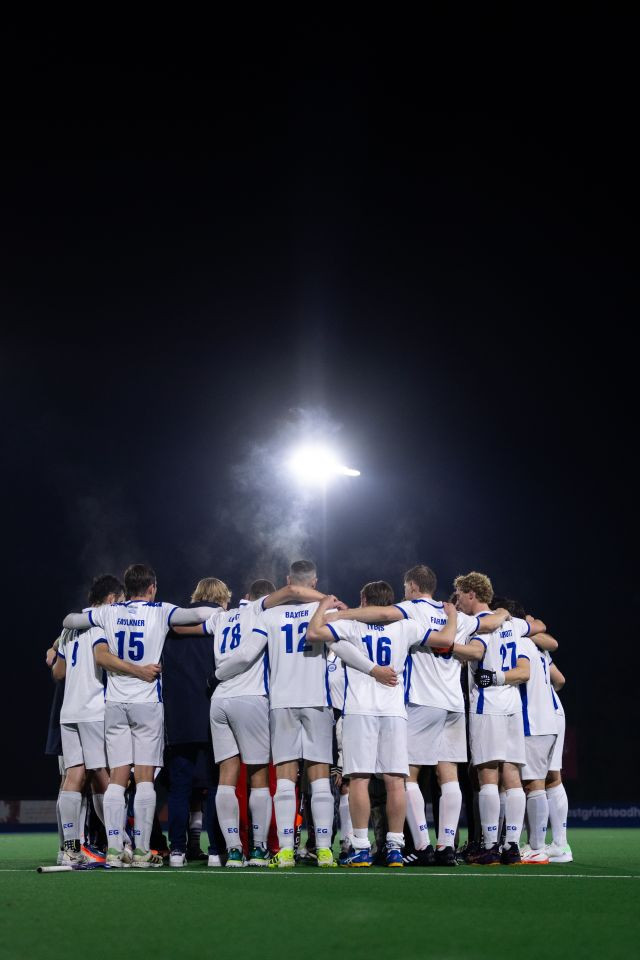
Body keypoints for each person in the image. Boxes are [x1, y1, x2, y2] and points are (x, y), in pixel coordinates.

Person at [214, 560, 397, 869]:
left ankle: (286, 851)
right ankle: (324, 850)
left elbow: (247, 654)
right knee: (319, 777)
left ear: (289, 580)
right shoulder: (324, 611)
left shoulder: (269, 615)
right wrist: (373, 669)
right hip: (317, 700)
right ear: (314, 583)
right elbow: (342, 648)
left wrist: (219, 674)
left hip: (282, 702)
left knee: (285, 778)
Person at [324, 564, 508, 866]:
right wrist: (505, 614)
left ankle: (421, 845)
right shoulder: (456, 614)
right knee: (448, 774)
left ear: (411, 586)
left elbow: (380, 614)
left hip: (422, 700)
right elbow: (490, 621)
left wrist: (343, 614)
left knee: (404, 775)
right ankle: (446, 846)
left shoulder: (409, 610)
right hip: (453, 703)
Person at [62, 563, 213, 868]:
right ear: (152, 587)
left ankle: (114, 850)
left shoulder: (109, 612)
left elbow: (70, 619)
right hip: (146, 702)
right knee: (144, 778)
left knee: (117, 777)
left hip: (115, 703)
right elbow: (198, 614)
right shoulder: (160, 611)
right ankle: (142, 851)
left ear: (127, 588)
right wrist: (225, 613)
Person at [307, 581, 457, 867]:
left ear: (364, 601)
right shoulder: (406, 627)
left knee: (359, 779)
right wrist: (451, 616)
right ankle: (395, 848)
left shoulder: (351, 626)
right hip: (394, 711)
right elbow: (447, 640)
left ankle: (361, 847)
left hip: (359, 709)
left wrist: (326, 606)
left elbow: (313, 632)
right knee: (395, 781)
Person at [204, 576, 330, 867]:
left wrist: (215, 677)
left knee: (226, 776)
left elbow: (190, 623)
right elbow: (247, 654)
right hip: (253, 698)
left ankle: (232, 851)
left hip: (219, 700)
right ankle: (260, 849)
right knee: (259, 777)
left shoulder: (222, 617)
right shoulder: (262, 613)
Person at [453, 572, 545, 866]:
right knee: (513, 776)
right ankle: (512, 847)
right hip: (513, 706)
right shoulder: (511, 623)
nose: (458, 601)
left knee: (488, 777)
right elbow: (539, 626)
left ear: (471, 594)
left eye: (460, 595)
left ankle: (491, 846)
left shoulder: (478, 625)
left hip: (487, 705)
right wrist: (506, 614)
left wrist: (448, 646)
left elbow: (476, 651)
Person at [162, 577, 230, 868]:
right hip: (212, 715)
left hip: (178, 717)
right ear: (222, 599)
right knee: (215, 785)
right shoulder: (221, 625)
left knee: (179, 788)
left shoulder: (171, 627)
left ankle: (177, 850)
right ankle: (216, 850)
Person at [544, 655, 572, 862]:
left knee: (551, 777)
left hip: (544, 714)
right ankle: (549, 844)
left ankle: (561, 845)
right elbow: (559, 680)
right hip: (550, 711)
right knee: (542, 778)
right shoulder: (537, 645)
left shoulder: (525, 644)